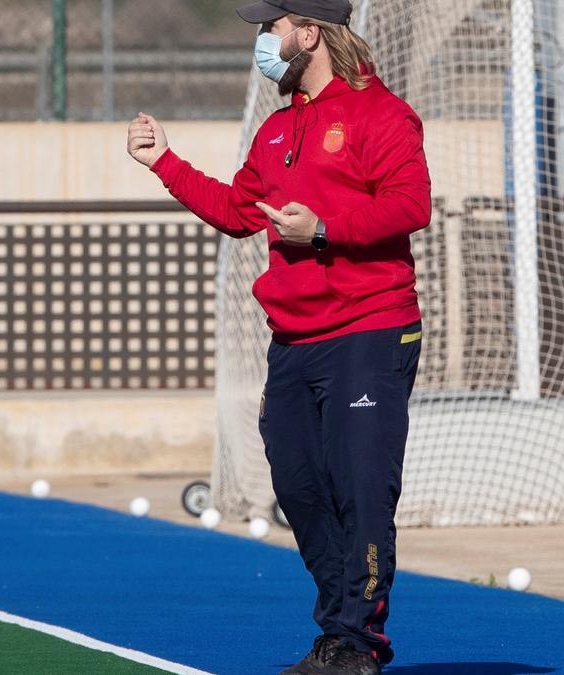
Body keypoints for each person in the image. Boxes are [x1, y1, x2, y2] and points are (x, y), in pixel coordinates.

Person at [127, 1, 430, 673]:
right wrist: (165, 162)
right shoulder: (277, 128)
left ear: (309, 32)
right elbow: (240, 213)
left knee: (361, 489)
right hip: (295, 340)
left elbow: (410, 205)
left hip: (370, 330)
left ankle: (357, 642)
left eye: (271, 26)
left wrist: (322, 228)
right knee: (295, 482)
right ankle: (341, 624)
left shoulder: (382, 115)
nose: (263, 40)